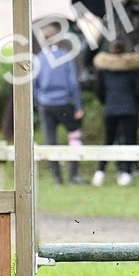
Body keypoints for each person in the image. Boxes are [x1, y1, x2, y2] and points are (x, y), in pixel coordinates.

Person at [91, 31, 139, 187]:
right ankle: (126, 173)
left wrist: (107, 102)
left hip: (110, 108)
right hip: (130, 108)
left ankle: (100, 172)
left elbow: (99, 90)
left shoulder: (104, 70)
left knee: (108, 140)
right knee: (129, 141)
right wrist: (135, 104)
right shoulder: (133, 69)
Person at [33, 30, 86, 185]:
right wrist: (78, 105)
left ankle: (56, 177)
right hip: (63, 104)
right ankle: (73, 174)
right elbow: (73, 83)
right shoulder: (66, 57)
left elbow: (34, 85)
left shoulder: (39, 58)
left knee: (50, 140)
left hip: (46, 105)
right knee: (75, 135)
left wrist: (40, 101)